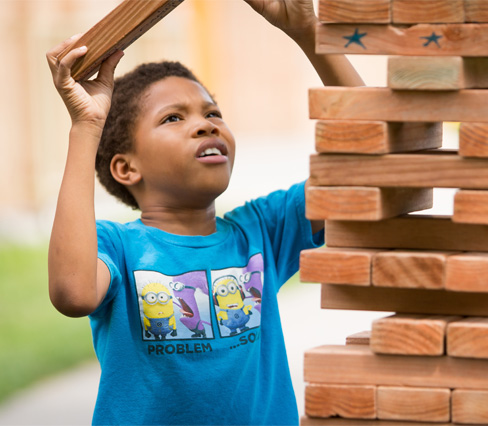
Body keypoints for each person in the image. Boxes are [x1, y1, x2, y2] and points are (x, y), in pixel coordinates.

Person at [45, 0, 363, 424]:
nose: (206, 124)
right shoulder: (116, 246)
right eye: (173, 118)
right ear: (126, 168)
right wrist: (86, 127)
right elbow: (73, 293)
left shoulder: (264, 231)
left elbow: (373, 158)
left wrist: (310, 33)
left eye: (213, 112)